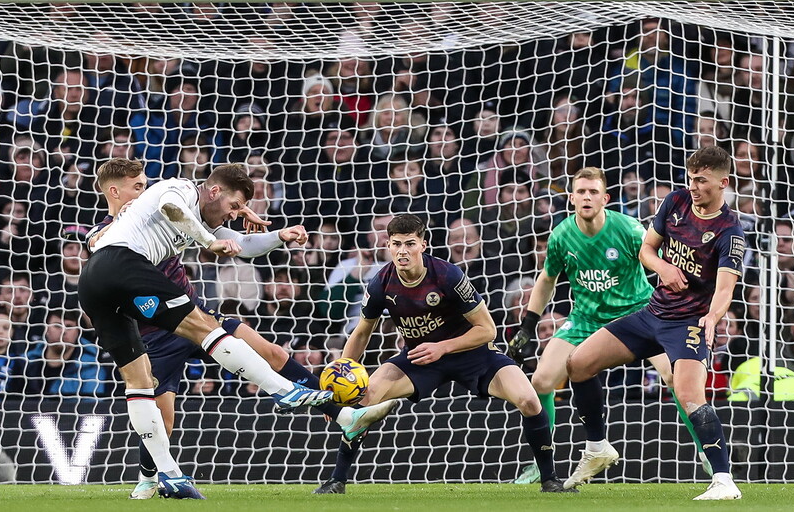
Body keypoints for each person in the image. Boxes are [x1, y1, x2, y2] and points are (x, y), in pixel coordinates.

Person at [89, 158, 390, 499]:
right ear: (114, 192)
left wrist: (280, 235)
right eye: (136, 186)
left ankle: (340, 415)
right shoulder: (128, 220)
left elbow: (242, 245)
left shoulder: (185, 212)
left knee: (271, 351)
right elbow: (115, 235)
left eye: (144, 184)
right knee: (164, 416)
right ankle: (150, 477)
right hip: (156, 330)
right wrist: (208, 239)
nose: (143, 189)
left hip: (190, 309)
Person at [313, 214, 567, 495]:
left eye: (410, 244)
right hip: (419, 358)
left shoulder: (448, 276)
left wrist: (443, 346)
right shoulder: (381, 283)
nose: (402, 251)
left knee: (529, 400)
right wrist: (340, 383)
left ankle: (550, 480)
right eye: (396, 244)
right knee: (364, 399)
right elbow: (361, 333)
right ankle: (337, 480)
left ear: (424, 244)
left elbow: (487, 330)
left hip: (472, 353)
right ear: (388, 245)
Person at [565, 146, 747, 500]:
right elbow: (646, 250)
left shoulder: (730, 231)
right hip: (652, 314)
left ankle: (724, 480)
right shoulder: (675, 203)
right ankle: (598, 446)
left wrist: (711, 315)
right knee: (578, 364)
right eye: (691, 179)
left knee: (690, 395)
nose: (693, 187)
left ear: (723, 182)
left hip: (688, 323)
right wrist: (663, 267)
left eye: (702, 181)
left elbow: (725, 288)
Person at [507, 167, 678, 487]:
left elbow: (656, 255)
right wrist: (528, 326)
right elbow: (547, 279)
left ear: (605, 198)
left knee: (674, 376)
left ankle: (708, 457)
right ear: (571, 198)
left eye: (593, 192)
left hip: (637, 312)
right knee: (541, 381)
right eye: (581, 192)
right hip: (585, 318)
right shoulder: (561, 235)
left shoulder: (627, 228)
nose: (587, 197)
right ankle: (540, 463)